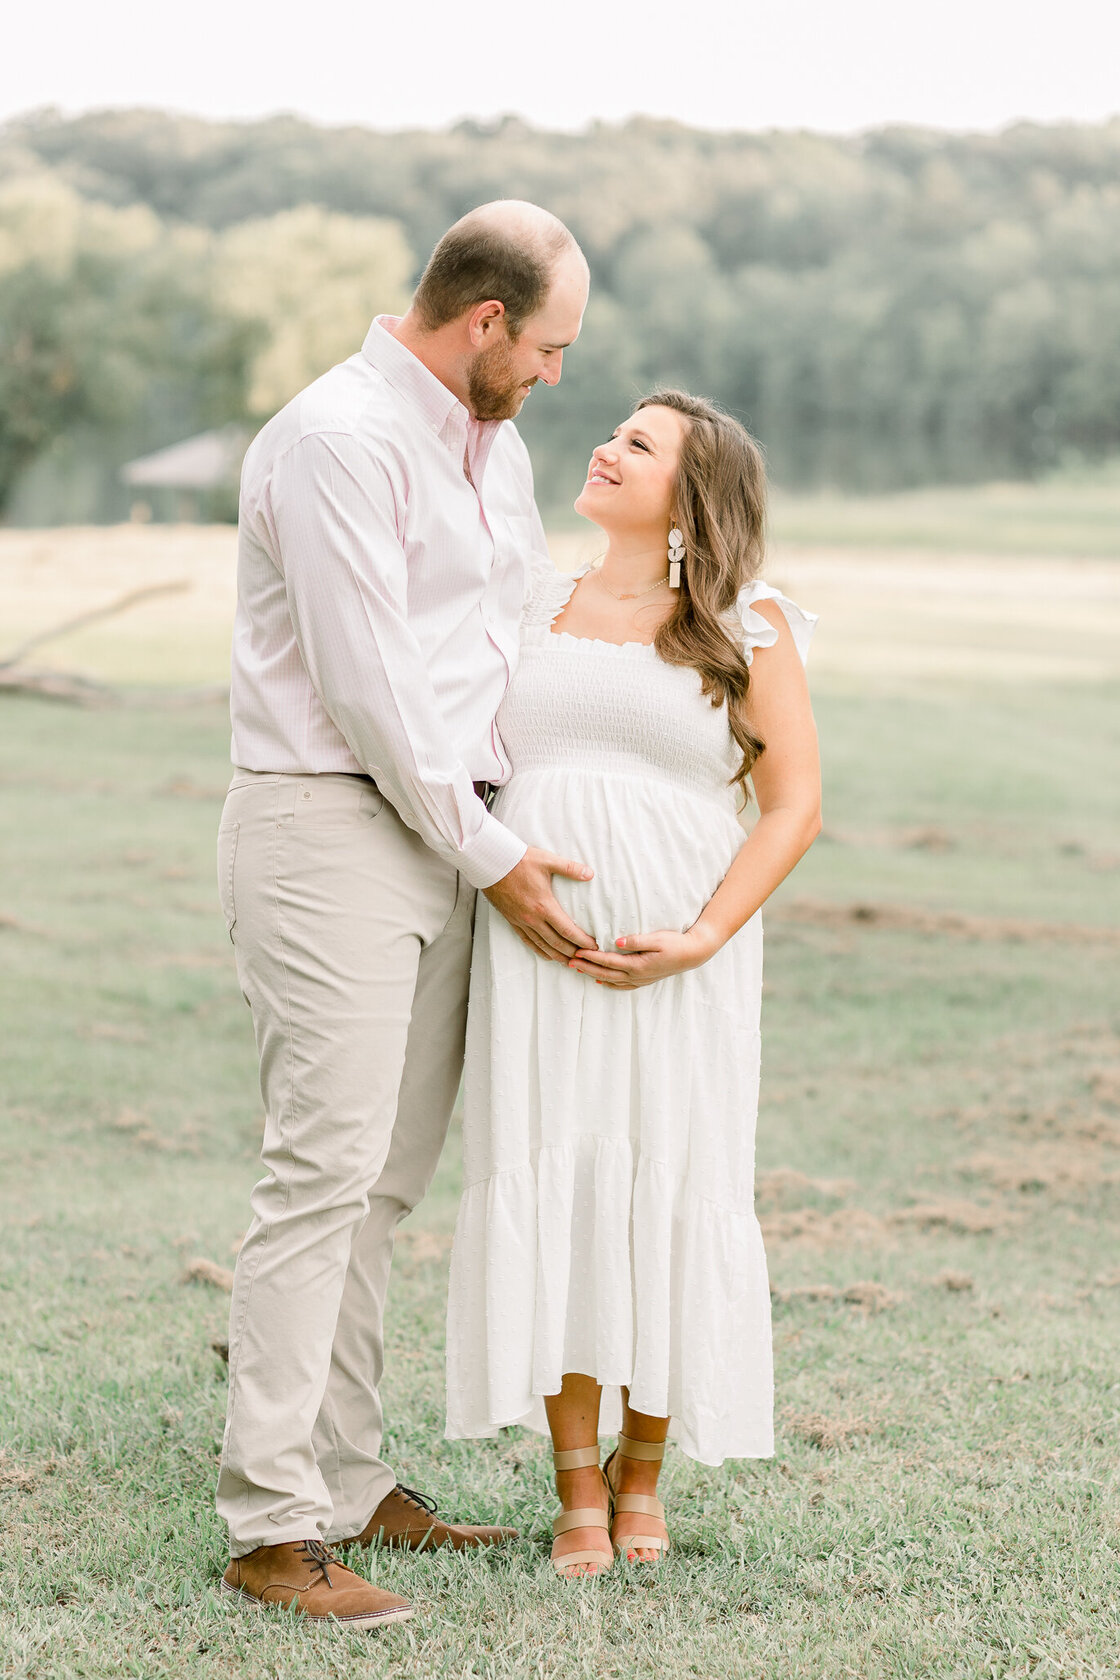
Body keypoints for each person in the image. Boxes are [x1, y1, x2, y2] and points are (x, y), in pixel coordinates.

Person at [216, 201, 593, 1628]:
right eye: (549, 346)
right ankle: (269, 1521)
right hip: (330, 829)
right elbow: (371, 690)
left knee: (383, 1184)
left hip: (450, 831)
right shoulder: (337, 441)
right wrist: (496, 856)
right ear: (485, 322)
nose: (558, 373)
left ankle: (353, 1478)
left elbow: (504, 639)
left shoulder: (496, 448)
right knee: (319, 1176)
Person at [445, 390, 822, 1579]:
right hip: (534, 948)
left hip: (680, 969)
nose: (606, 447)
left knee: (669, 1183)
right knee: (555, 1184)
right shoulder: (525, 602)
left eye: (640, 445)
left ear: (692, 492)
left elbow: (795, 803)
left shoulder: (742, 622)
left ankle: (644, 1472)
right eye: (613, 430)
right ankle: (573, 1487)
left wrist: (705, 934)